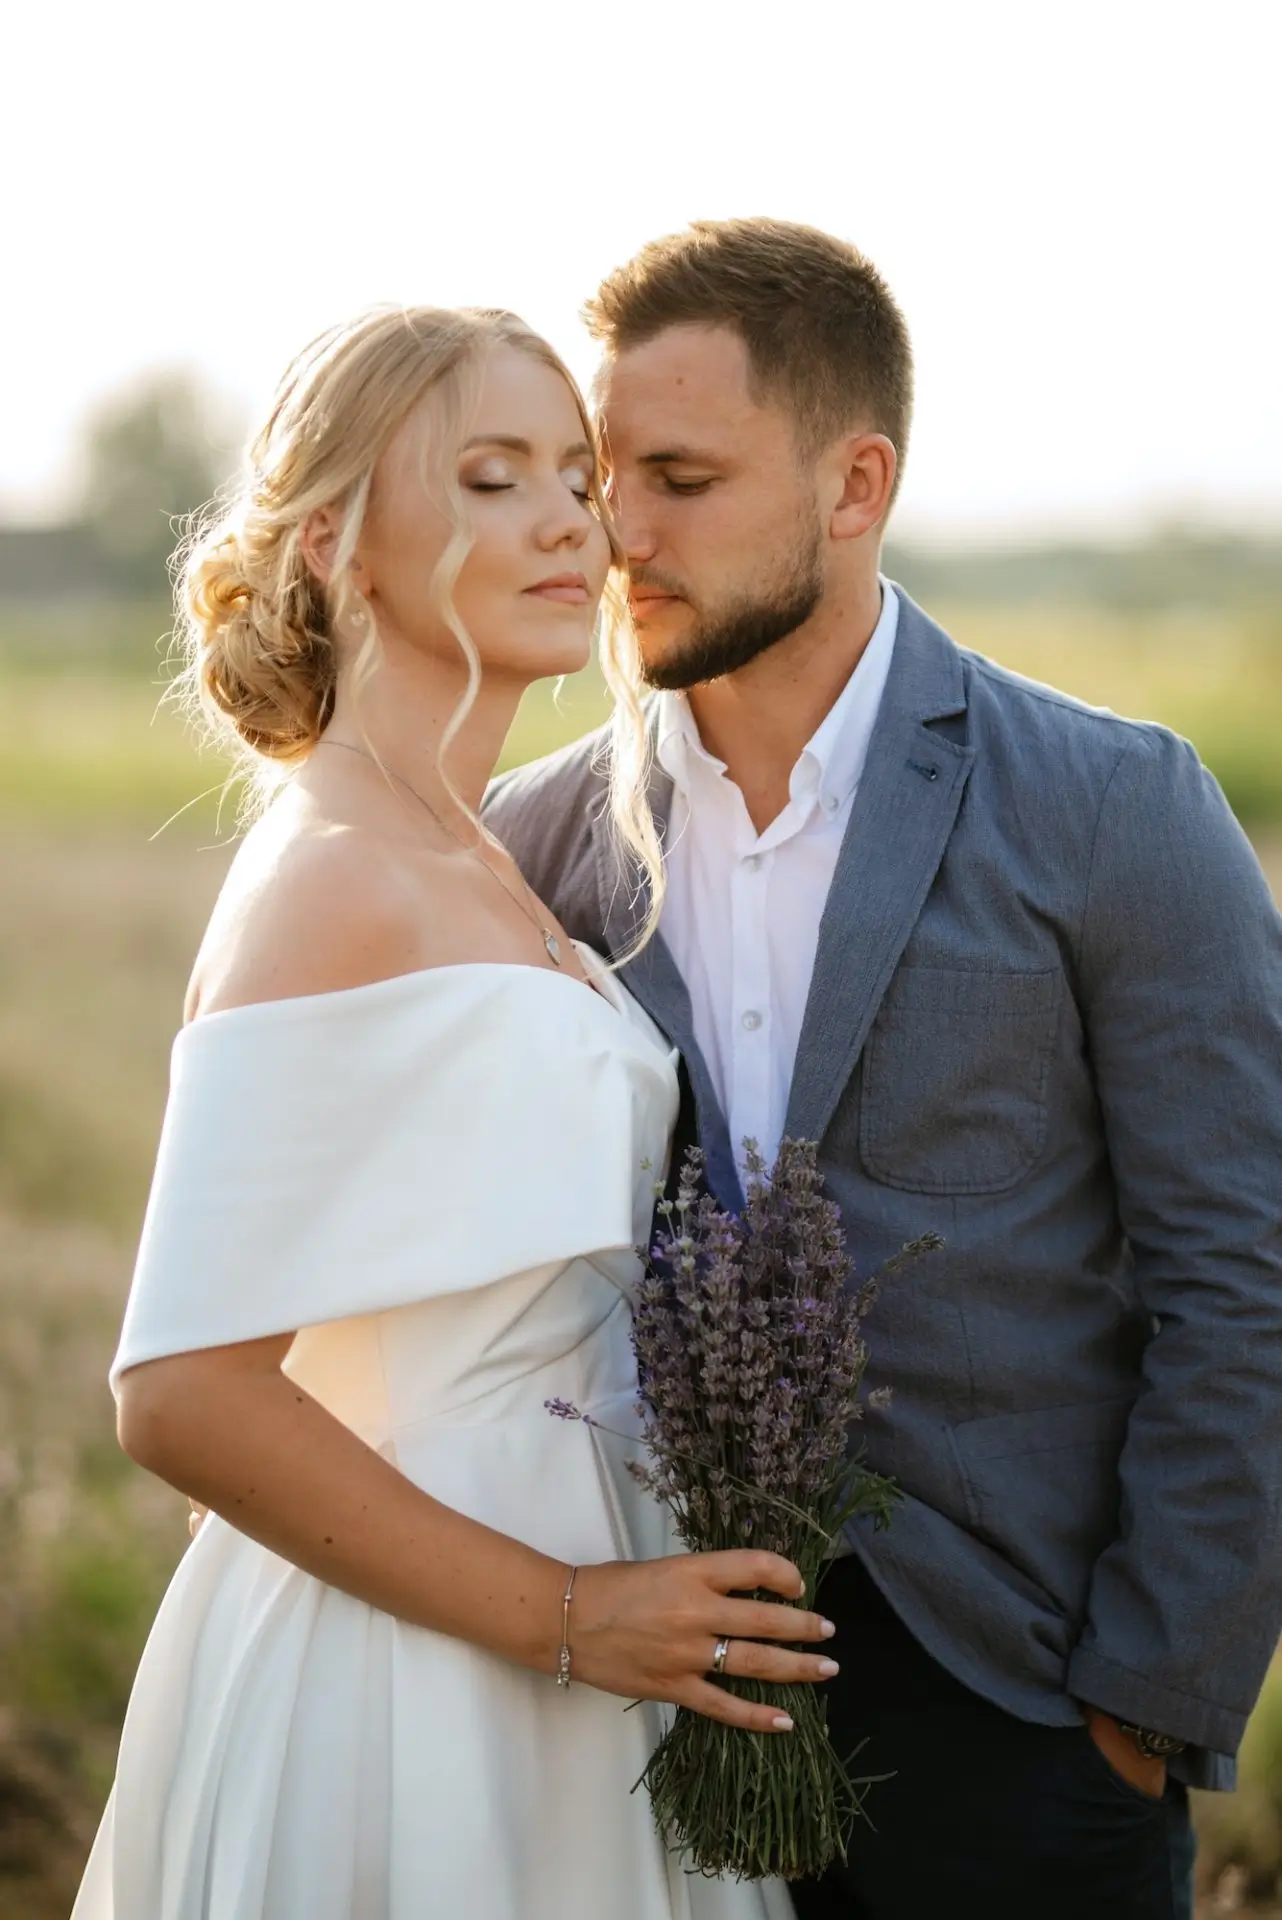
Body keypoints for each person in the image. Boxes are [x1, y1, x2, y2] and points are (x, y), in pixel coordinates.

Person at [484, 218, 1282, 1920]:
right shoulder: (522, 852)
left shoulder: (1114, 809)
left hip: (1018, 1701)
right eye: (594, 474)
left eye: (678, 478)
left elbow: (1247, 1277)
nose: (614, 530)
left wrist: (1141, 1707)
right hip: (629, 1704)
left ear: (856, 486)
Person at [73, 303, 822, 1920]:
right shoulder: (333, 878)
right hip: (420, 1667)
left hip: (589, 1619)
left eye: (575, 472)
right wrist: (563, 1609)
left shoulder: (482, 854)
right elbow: (181, 1393)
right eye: (492, 478)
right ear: (334, 541)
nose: (571, 516)